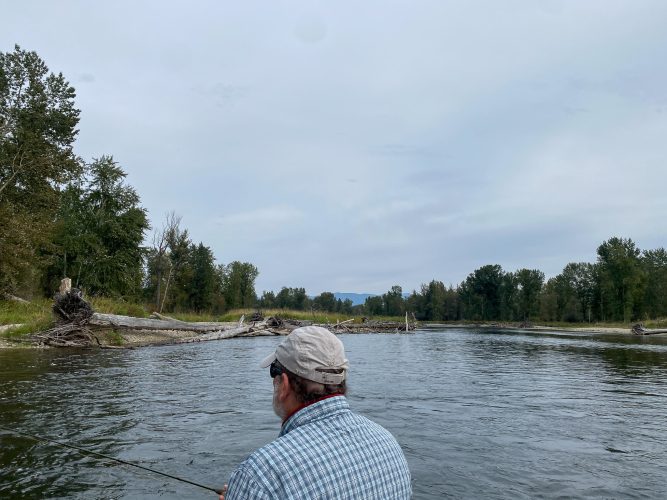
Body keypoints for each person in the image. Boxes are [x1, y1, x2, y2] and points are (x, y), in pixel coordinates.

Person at [220, 325, 412, 499]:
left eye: (274, 372)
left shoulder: (259, 478)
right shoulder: (389, 443)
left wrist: (244, 492)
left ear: (284, 384)